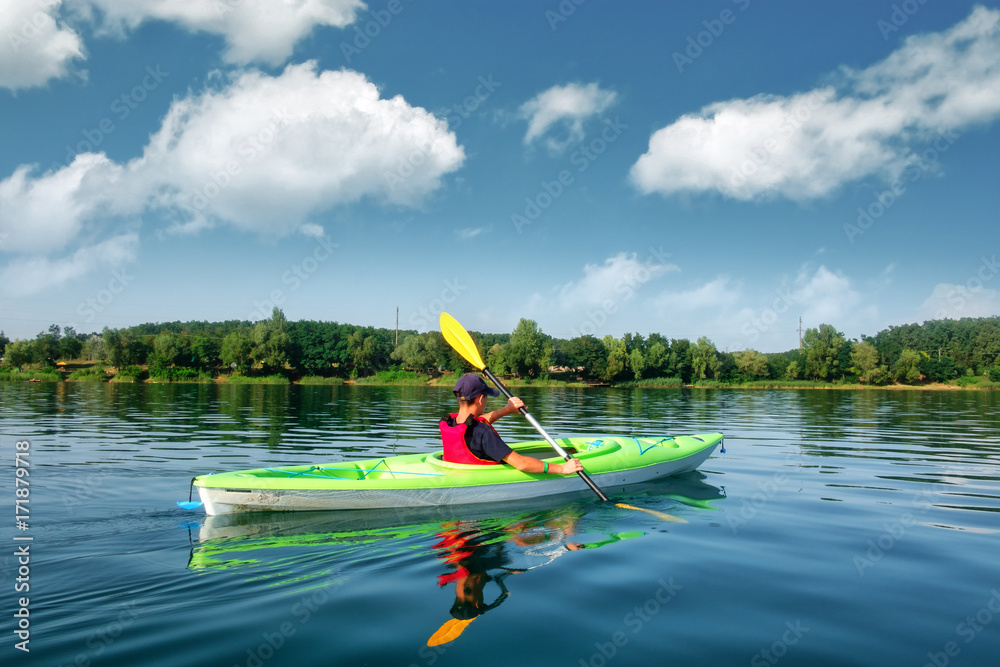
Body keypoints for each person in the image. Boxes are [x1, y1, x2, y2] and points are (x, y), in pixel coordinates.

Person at [439, 373, 584, 475]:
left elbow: (478, 422)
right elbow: (521, 463)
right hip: (486, 481)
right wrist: (562, 468)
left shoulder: (450, 422)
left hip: (459, 474)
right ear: (481, 399)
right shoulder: (483, 432)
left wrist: (507, 410)